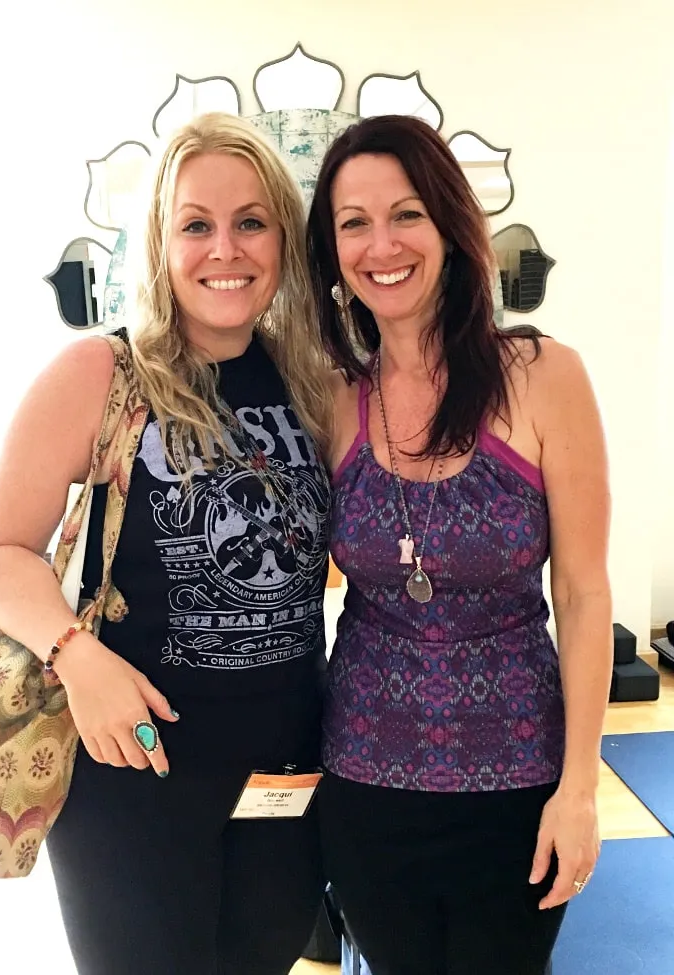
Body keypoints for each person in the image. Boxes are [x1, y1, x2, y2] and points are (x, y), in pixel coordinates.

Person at [0, 112, 333, 975]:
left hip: (288, 770)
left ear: (282, 235)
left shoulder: (311, 380)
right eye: (195, 225)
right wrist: (73, 655)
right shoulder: (101, 372)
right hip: (131, 777)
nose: (225, 249)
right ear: (160, 243)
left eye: (251, 221)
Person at [305, 115, 613, 975]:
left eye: (405, 213)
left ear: (449, 224)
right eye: (353, 223)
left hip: (519, 779)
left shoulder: (545, 376)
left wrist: (580, 787)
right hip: (365, 780)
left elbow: (585, 593)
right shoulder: (335, 400)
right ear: (332, 255)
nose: (382, 244)